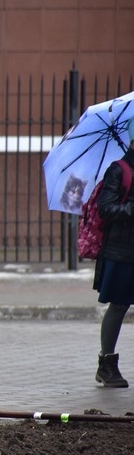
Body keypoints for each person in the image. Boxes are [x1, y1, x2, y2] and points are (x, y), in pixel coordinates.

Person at [93, 122, 134, 388]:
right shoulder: (119, 170)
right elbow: (104, 208)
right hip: (122, 252)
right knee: (118, 306)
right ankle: (106, 365)